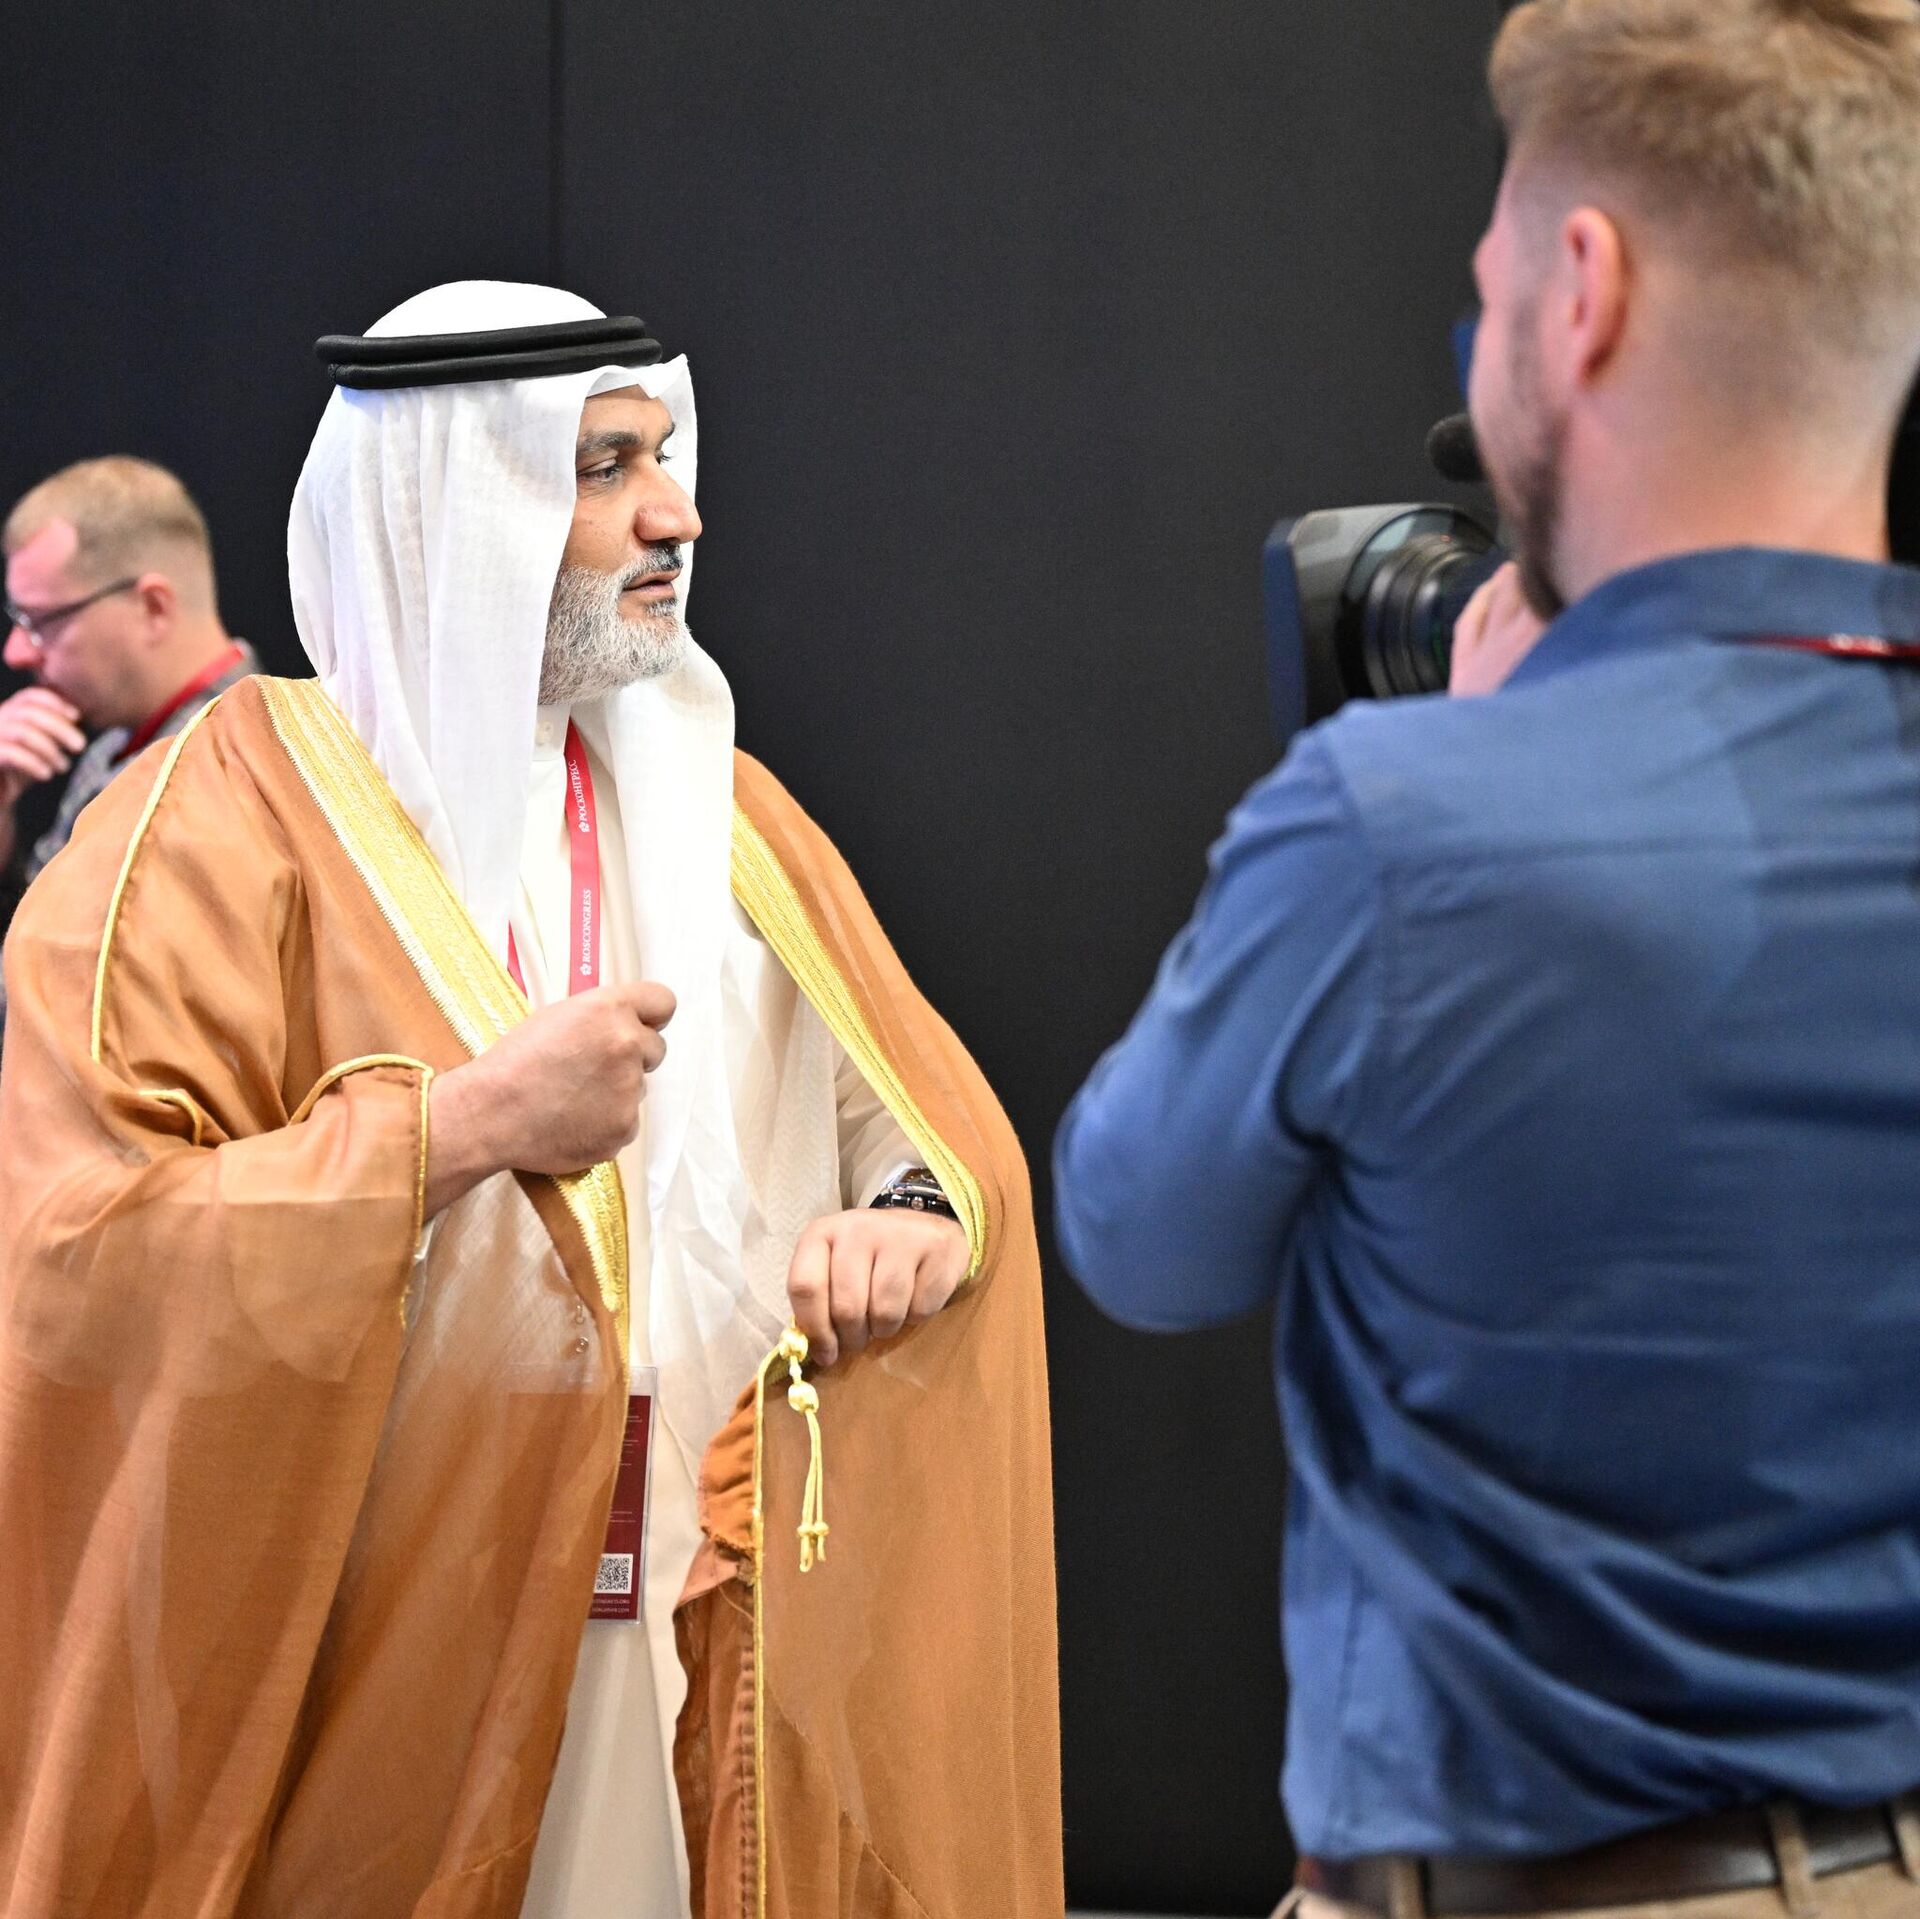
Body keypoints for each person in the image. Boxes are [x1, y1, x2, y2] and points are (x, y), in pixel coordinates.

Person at [0, 282, 1060, 1919]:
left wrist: (910, 1211)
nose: (674, 513)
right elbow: (82, 1250)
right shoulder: (208, 827)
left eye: (666, 456)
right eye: (604, 467)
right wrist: (456, 1131)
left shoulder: (727, 812)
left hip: (687, 1594)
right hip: (376, 1625)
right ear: (452, 508)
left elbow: (902, 1111)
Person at [1055, 4, 1920, 1918]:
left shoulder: (1395, 828)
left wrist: (1470, 758)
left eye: (1494, 280)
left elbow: (1137, 1231)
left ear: (1582, 292)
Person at [0, 458, 255, 1019]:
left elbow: (67, 1015)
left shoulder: (229, 768)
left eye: (43, 621)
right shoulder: (115, 744)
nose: (16, 652)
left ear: (153, 606)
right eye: (18, 619)